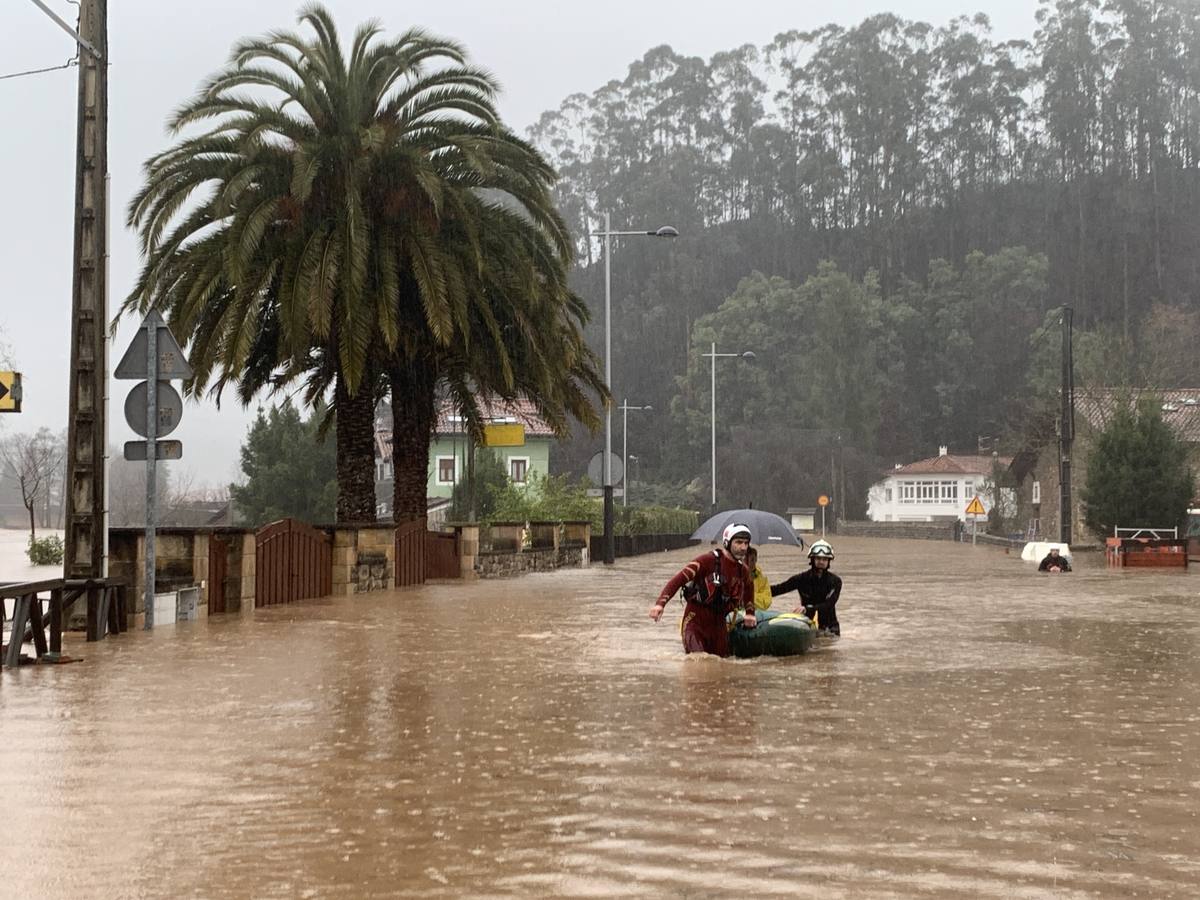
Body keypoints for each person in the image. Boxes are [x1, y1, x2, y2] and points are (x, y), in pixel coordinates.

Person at [649, 523, 757, 657]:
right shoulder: (707, 561)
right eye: (739, 542)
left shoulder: (743, 571)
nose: (743, 547)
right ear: (727, 542)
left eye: (746, 543)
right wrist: (660, 604)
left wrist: (750, 613)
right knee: (698, 660)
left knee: (721, 664)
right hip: (695, 621)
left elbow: (749, 590)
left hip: (719, 624)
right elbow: (678, 580)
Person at [770, 539, 843, 636]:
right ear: (812, 559)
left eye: (825, 559)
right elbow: (778, 589)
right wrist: (754, 588)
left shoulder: (835, 581)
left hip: (830, 629)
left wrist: (807, 609)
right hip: (806, 625)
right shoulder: (801, 579)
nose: (821, 562)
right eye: (818, 558)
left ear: (829, 561)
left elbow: (829, 604)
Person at [745, 546, 773, 612]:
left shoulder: (762, 578)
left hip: (757, 614)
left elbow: (766, 602)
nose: (750, 563)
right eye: (746, 560)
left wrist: (748, 597)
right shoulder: (733, 576)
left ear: (756, 560)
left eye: (752, 560)